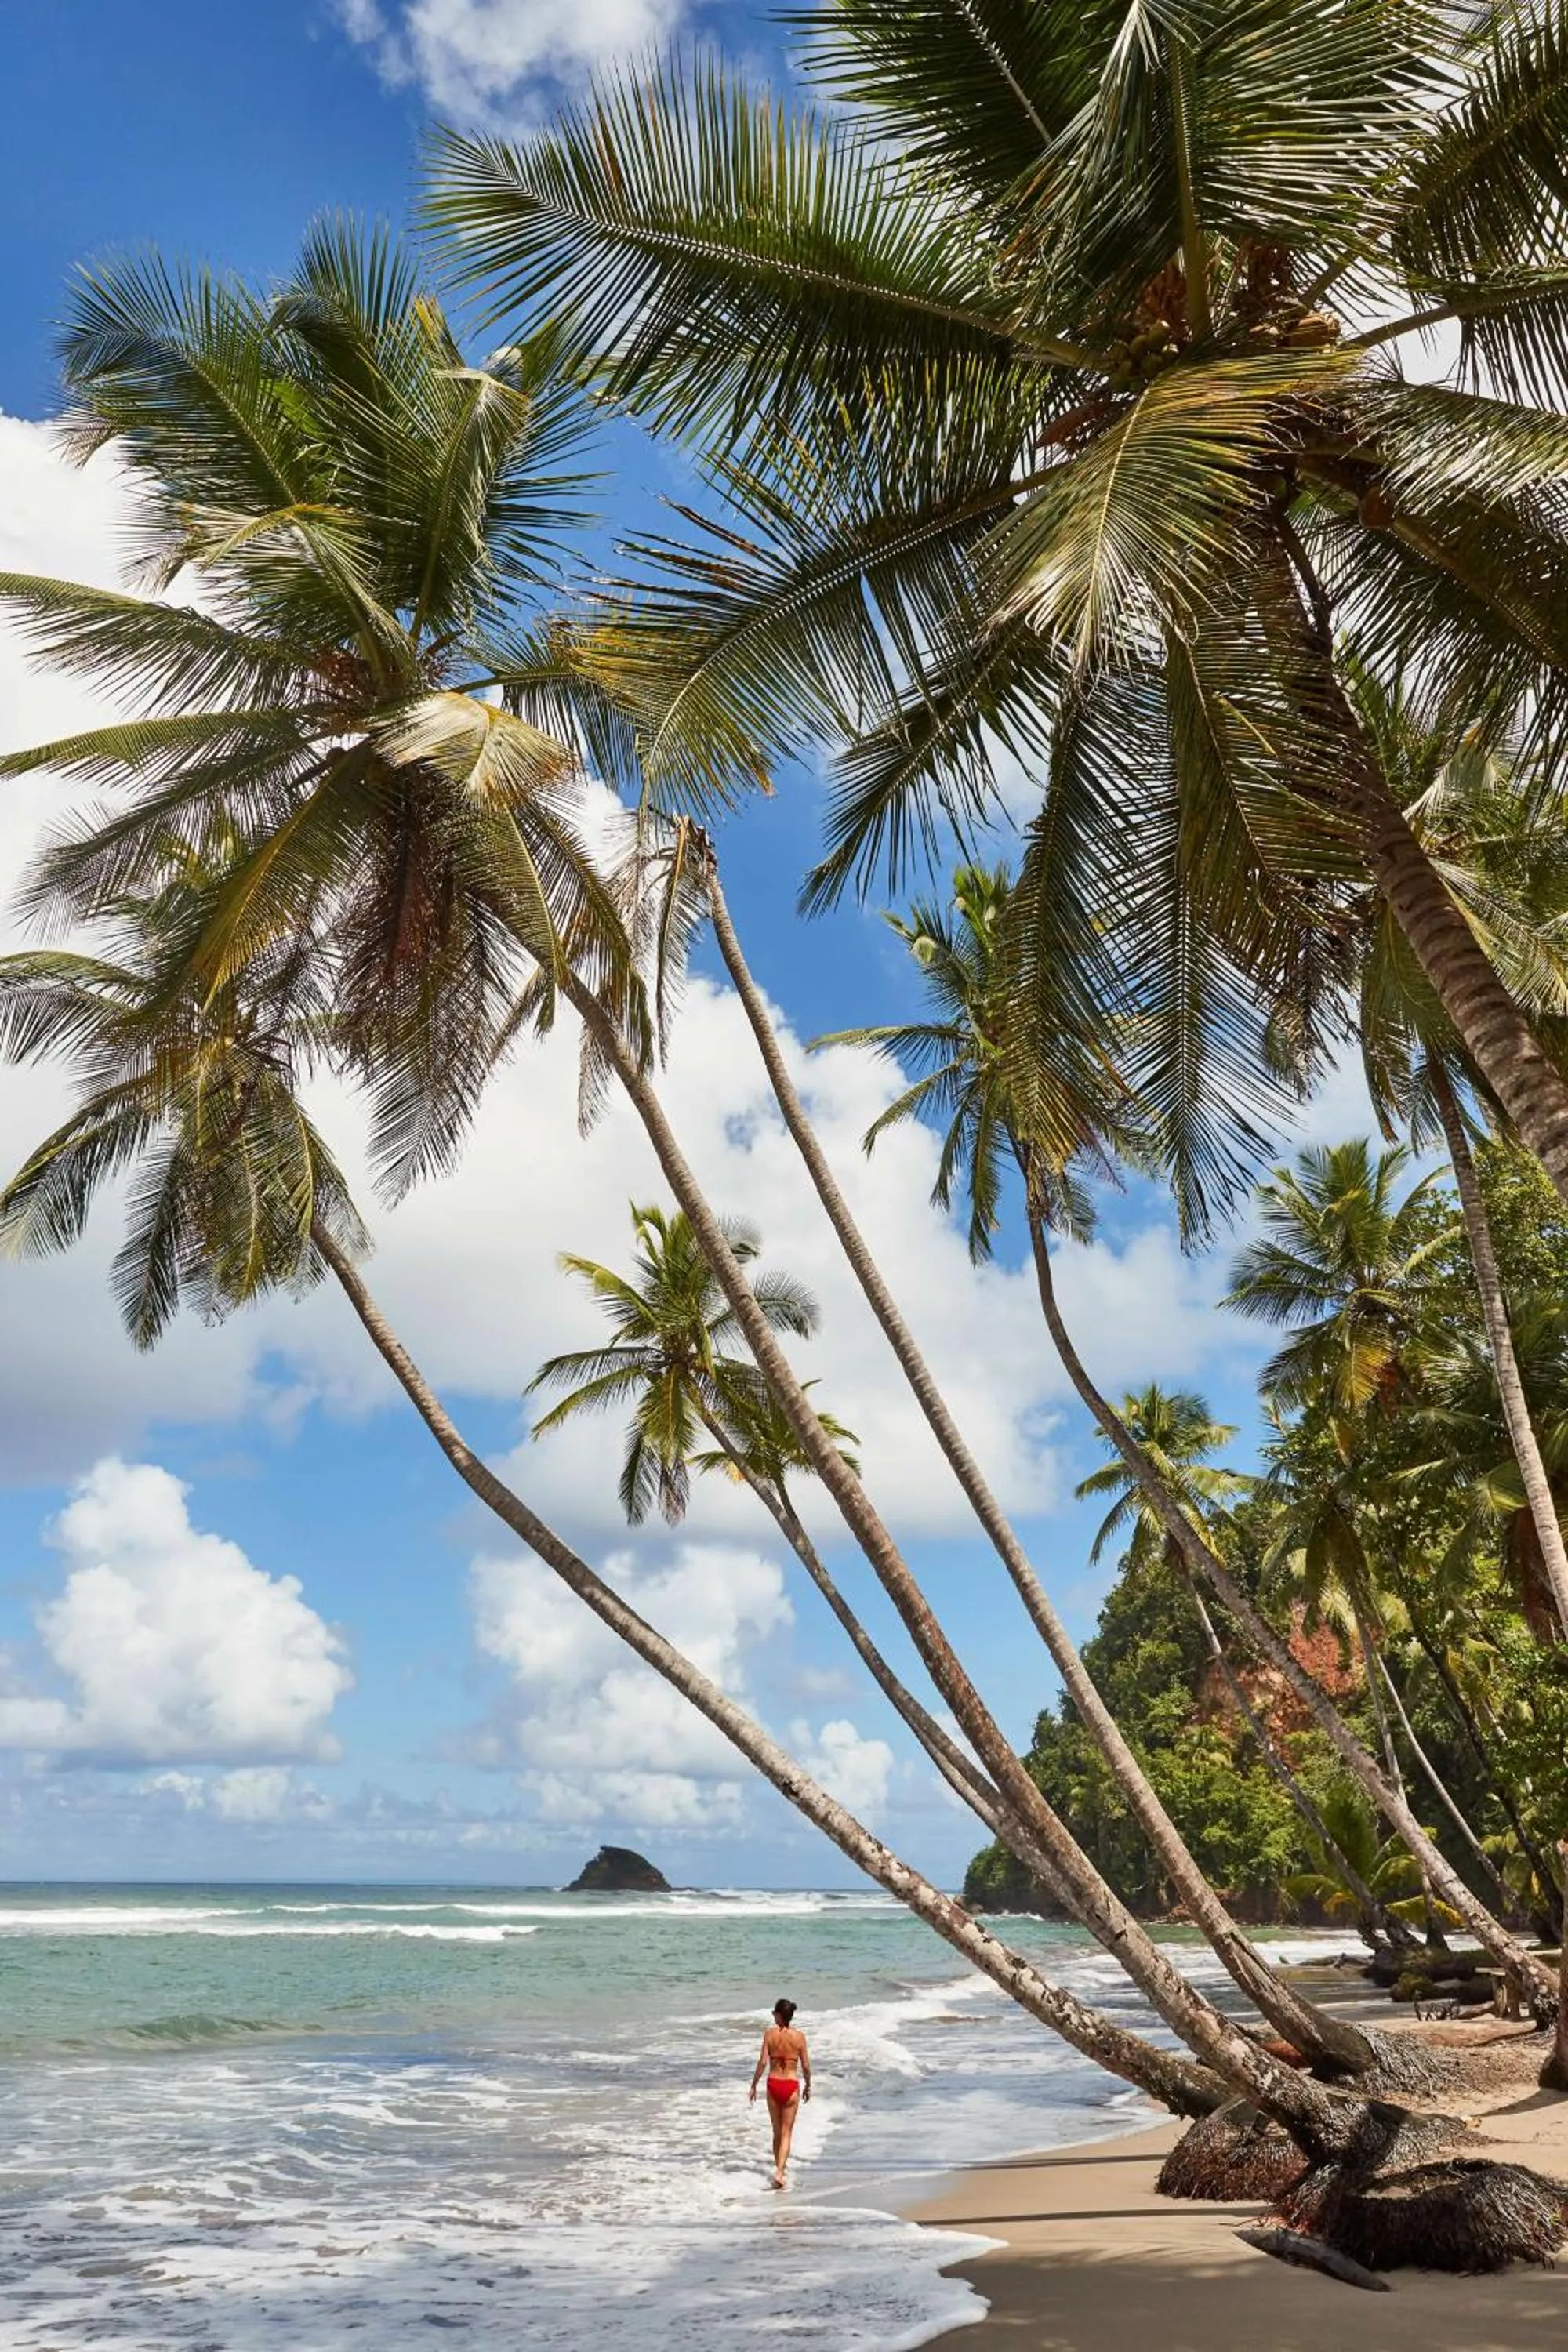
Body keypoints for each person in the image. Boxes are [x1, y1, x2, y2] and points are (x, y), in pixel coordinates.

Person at [748, 1997, 811, 2188]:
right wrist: (808, 2085)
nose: (773, 2016)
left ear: (779, 2015)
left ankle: (779, 2170)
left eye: (774, 2013)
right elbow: (806, 2066)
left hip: (773, 2084)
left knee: (777, 2131)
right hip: (791, 2085)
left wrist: (754, 2085)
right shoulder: (799, 2037)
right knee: (786, 2133)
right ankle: (780, 2171)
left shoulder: (770, 2035)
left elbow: (763, 2063)